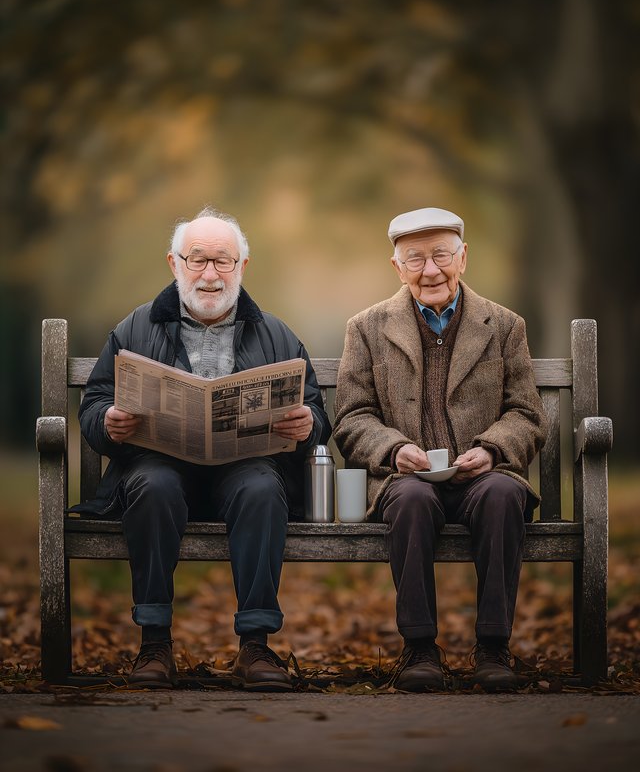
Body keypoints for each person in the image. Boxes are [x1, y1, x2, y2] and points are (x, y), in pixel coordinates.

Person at [77, 206, 331, 691]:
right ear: (174, 264)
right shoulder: (134, 329)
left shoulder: (276, 334)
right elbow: (94, 407)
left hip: (246, 466)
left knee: (261, 487)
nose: (210, 274)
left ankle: (255, 647)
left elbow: (317, 412)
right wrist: (108, 421)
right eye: (197, 260)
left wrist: (308, 423)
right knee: (152, 485)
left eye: (223, 262)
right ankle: (154, 643)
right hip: (159, 465)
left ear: (242, 268)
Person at [333, 207, 547, 692]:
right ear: (397, 267)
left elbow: (527, 414)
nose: (430, 270)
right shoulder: (366, 328)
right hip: (406, 479)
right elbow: (351, 417)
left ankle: (493, 647)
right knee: (411, 499)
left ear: (463, 258)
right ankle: (419, 648)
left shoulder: (505, 326)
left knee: (501, 496)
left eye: (441, 255)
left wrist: (493, 450)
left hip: (481, 475)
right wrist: (393, 449)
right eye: (415, 259)